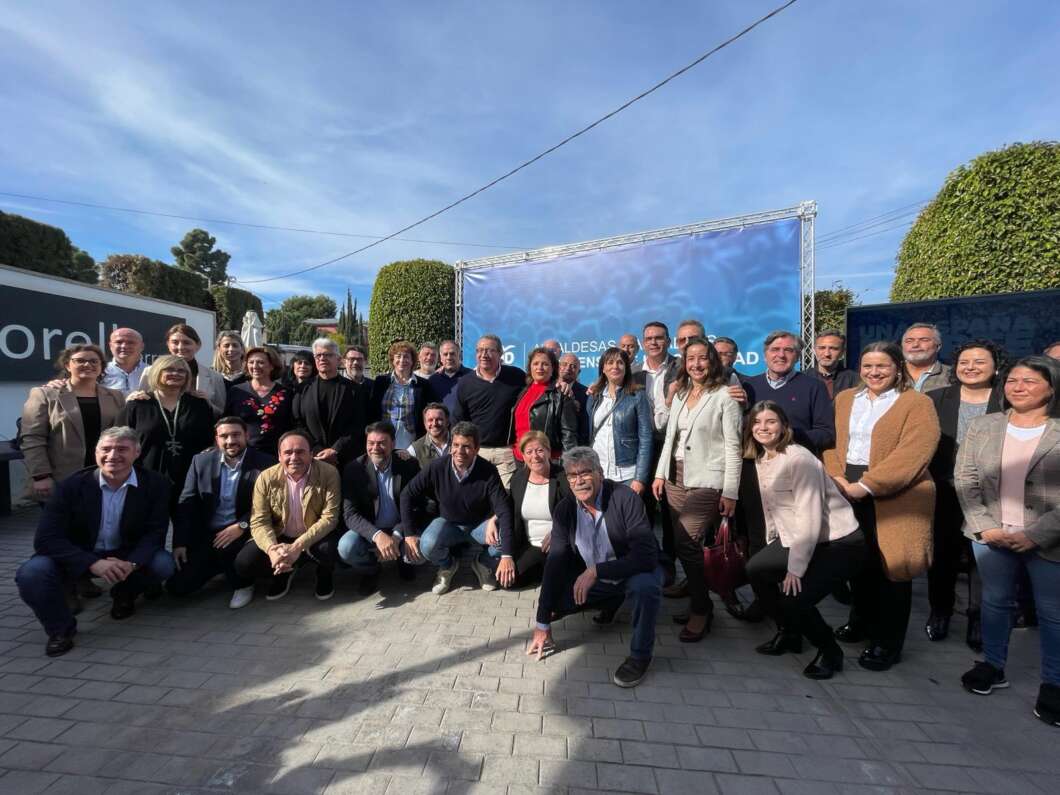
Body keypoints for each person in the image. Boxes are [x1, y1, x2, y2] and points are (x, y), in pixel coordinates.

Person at [955, 355, 1059, 727]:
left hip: (1048, 539)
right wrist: (983, 526)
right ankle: (993, 665)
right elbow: (965, 478)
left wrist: (1036, 534)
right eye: (1013, 380)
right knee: (995, 603)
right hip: (991, 534)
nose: (1018, 387)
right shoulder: (984, 426)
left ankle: (1054, 682)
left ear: (1052, 388)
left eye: (1029, 381)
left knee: (1052, 613)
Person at [823, 341, 940, 671]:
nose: (874, 372)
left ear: (897, 367)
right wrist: (838, 478)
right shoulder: (846, 399)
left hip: (897, 493)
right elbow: (831, 443)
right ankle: (860, 622)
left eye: (882, 366)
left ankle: (887, 642)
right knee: (859, 563)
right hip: (846, 486)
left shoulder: (916, 403)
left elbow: (914, 452)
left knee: (893, 569)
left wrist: (866, 486)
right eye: (868, 366)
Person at [16, 427, 175, 655]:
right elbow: (45, 539)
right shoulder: (70, 486)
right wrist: (92, 563)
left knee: (163, 564)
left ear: (137, 453)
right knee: (32, 573)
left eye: (122, 449)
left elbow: (155, 533)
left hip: (124, 554)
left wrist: (131, 564)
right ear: (96, 452)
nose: (112, 455)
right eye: (106, 449)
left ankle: (125, 592)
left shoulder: (155, 484)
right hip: (79, 554)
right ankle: (61, 629)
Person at [742, 402, 865, 679]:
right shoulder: (763, 458)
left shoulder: (799, 459)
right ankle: (790, 633)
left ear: (784, 426)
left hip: (838, 541)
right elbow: (773, 508)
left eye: (771, 421)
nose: (763, 428)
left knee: (794, 597)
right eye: (757, 422)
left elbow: (810, 516)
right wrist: (773, 541)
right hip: (799, 537)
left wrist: (794, 569)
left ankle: (830, 651)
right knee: (756, 570)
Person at [527, 447, 663, 688]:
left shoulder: (625, 498)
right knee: (556, 602)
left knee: (644, 587)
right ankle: (612, 601)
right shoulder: (565, 509)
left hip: (633, 571)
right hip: (602, 579)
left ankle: (640, 656)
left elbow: (645, 557)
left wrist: (596, 571)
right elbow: (555, 562)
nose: (579, 481)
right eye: (572, 475)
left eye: (585, 473)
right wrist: (542, 623)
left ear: (600, 473)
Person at [652, 337, 742, 642]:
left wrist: (730, 492)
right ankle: (696, 599)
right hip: (675, 477)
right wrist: (660, 474)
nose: (696, 364)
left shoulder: (724, 395)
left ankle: (702, 609)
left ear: (712, 360)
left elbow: (733, 447)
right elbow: (670, 438)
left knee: (686, 542)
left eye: (702, 358)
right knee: (683, 545)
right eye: (690, 359)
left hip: (707, 480)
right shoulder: (681, 393)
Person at [925, 339, 1006, 646]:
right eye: (964, 362)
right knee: (942, 555)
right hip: (944, 488)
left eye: (979, 362)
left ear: (995, 367)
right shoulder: (936, 399)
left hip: (991, 492)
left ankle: (978, 618)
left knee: (982, 558)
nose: (971, 368)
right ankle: (940, 611)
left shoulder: (1006, 399)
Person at [167, 417, 276, 608]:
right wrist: (180, 542)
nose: (230, 441)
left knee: (229, 550)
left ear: (246, 436)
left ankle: (243, 584)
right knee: (177, 586)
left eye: (236, 435)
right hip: (210, 534)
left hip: (244, 530)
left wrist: (242, 525)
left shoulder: (266, 463)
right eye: (224, 436)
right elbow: (186, 503)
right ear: (216, 439)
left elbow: (270, 505)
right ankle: (220, 567)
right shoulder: (200, 461)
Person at [400, 421, 514, 595]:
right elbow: (407, 494)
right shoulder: (437, 467)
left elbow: (504, 509)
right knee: (428, 544)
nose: (460, 451)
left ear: (476, 449)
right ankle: (447, 565)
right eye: (456, 445)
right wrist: (409, 533)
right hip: (449, 523)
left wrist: (507, 555)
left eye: (466, 446)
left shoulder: (488, 471)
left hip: (479, 525)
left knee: (504, 539)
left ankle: (482, 563)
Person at [236, 430, 342, 601]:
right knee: (244, 563)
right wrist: (272, 550)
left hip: (315, 535)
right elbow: (259, 521)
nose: (294, 457)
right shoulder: (266, 478)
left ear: (311, 454)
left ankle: (324, 573)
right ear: (279, 456)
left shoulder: (328, 473)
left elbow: (330, 517)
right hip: (280, 534)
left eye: (300, 452)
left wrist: (297, 547)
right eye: (288, 452)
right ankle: (284, 571)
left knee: (329, 550)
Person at [21, 344, 125, 504]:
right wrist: (41, 475)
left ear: (101, 367)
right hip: (61, 477)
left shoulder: (116, 396)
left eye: (94, 361)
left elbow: (124, 432)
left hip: (105, 476)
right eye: (80, 361)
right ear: (67, 365)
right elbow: (32, 438)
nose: (88, 364)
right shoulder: (45, 394)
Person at [119, 355, 216, 516]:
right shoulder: (138, 404)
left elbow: (210, 441)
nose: (175, 374)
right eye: (169, 369)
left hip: (190, 480)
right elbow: (120, 440)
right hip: (146, 478)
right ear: (157, 372)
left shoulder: (198, 404)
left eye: (181, 371)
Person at [337, 421, 423, 594]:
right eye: (371, 443)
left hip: (401, 527)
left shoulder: (408, 465)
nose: (375, 448)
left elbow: (417, 505)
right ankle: (372, 570)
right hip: (371, 528)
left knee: (421, 551)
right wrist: (377, 536)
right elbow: (350, 514)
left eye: (382, 443)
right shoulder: (354, 469)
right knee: (346, 547)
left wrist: (397, 534)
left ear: (393, 444)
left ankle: (402, 560)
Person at [491, 430, 574, 588]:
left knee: (561, 583)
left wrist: (558, 532)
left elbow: (576, 511)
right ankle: (545, 571)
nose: (535, 456)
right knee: (506, 581)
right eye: (529, 452)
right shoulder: (518, 479)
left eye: (540, 450)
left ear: (549, 452)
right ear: (523, 456)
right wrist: (493, 519)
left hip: (559, 544)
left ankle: (552, 573)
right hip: (532, 545)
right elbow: (509, 507)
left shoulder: (563, 478)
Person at [740, 331, 835, 455]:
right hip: (754, 462)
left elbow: (827, 434)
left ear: (797, 357)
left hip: (796, 462)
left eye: (788, 350)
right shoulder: (748, 386)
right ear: (765, 355)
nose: (781, 355)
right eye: (775, 349)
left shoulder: (814, 387)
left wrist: (786, 436)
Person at [451, 334, 526, 489]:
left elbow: (539, 387)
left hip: (506, 453)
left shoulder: (516, 376)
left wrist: (560, 384)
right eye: (480, 350)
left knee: (506, 495)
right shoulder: (465, 382)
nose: (484, 355)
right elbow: (459, 419)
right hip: (478, 452)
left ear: (500, 353)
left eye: (490, 350)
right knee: (478, 495)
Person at [292, 338, 368, 469]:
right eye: (319, 355)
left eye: (328, 355)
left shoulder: (354, 390)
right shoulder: (302, 389)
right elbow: (297, 422)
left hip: (345, 460)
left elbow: (359, 424)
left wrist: (335, 449)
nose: (322, 358)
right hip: (311, 458)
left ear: (338, 359)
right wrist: (315, 449)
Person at [586, 348, 652, 496]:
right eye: (610, 362)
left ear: (626, 368)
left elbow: (646, 439)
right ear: (603, 368)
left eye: (620, 362)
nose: (615, 366)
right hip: (599, 473)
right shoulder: (594, 396)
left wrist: (640, 478)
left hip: (628, 474)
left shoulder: (637, 396)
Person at [139, 323, 227, 415]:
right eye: (175, 342)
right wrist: (133, 397)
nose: (180, 347)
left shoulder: (215, 377)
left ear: (198, 345)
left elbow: (221, 413)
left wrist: (207, 403)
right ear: (168, 344)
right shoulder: (149, 372)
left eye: (186, 343)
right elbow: (140, 404)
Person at [512, 347, 579, 463]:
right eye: (535, 364)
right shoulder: (523, 392)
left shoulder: (561, 393)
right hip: (520, 459)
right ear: (530, 367)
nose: (540, 368)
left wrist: (568, 464)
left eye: (545, 364)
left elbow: (568, 435)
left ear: (553, 368)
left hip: (546, 461)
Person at [224, 346, 293, 455]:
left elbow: (292, 425)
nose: (255, 366)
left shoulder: (287, 393)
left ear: (272, 366)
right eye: (251, 362)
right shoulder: (236, 391)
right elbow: (226, 421)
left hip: (276, 454)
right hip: (243, 453)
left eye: (261, 362)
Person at [369, 340, 429, 450]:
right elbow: (372, 411)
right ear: (393, 360)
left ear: (412, 361)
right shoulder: (381, 382)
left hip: (411, 442)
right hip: (383, 441)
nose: (402, 360)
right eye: (398, 356)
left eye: (406, 357)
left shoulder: (422, 385)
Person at [806, 329, 860, 399]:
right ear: (814, 350)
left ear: (842, 352)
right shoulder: (803, 379)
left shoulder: (855, 380)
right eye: (822, 348)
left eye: (833, 349)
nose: (827, 354)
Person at [902, 322, 951, 393]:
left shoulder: (953, 375)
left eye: (924, 340)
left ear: (938, 346)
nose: (915, 345)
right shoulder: (891, 373)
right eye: (909, 341)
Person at [101, 327, 149, 395]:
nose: (124, 346)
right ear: (111, 346)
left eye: (131, 342)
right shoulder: (101, 371)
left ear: (142, 346)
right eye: (119, 342)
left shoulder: (153, 372)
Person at [427, 339, 472, 411]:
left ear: (459, 355)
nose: (449, 357)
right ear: (441, 358)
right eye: (445, 354)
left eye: (452, 354)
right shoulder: (433, 380)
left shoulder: (471, 376)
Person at [408, 402, 451, 469]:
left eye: (439, 419)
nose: (434, 424)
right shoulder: (414, 450)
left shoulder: (459, 443)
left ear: (447, 422)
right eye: (430, 420)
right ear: (425, 424)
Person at [559, 353, 590, 444]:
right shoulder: (548, 389)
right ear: (558, 367)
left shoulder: (586, 394)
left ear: (578, 372)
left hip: (574, 445)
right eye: (564, 364)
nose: (568, 368)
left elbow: (585, 426)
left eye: (573, 366)